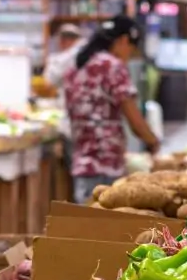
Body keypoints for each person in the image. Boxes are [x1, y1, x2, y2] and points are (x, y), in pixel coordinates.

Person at [64, 15, 161, 204]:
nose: (129, 57)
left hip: (82, 162)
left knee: (84, 222)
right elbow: (134, 119)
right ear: (124, 40)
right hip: (106, 163)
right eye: (131, 50)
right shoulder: (111, 66)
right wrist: (153, 141)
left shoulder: (77, 65)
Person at [43, 24, 86, 178]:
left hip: (74, 123)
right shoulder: (87, 52)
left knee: (78, 172)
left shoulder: (67, 57)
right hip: (88, 125)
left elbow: (49, 80)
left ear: (63, 40)